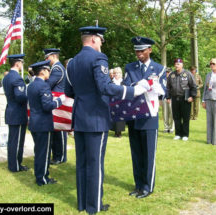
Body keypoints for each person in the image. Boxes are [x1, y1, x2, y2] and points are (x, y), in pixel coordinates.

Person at [65, 26, 144, 215]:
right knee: (95, 164)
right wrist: (132, 91)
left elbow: (69, 92)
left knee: (82, 163)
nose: (102, 43)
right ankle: (95, 206)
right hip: (96, 118)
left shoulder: (72, 62)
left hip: (80, 117)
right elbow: (104, 87)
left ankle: (83, 203)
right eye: (101, 39)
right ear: (93, 39)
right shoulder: (99, 58)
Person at [122, 36, 166, 199]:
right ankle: (138, 184)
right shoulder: (130, 67)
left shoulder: (159, 68)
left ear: (150, 50)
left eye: (141, 50)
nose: (138, 53)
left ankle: (148, 186)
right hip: (133, 115)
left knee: (148, 154)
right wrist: (141, 85)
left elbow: (165, 91)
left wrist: (154, 86)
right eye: (136, 51)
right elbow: (125, 86)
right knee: (136, 153)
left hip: (149, 116)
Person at [28, 60, 65, 186]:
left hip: (34, 123)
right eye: (48, 70)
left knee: (38, 151)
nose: (49, 72)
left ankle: (39, 174)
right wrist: (60, 101)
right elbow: (47, 106)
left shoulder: (31, 85)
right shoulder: (43, 86)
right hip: (43, 124)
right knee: (44, 153)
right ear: (43, 71)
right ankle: (42, 178)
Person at [2, 54, 29, 172]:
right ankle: (16, 165)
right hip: (17, 112)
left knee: (13, 140)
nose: (22, 65)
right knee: (17, 141)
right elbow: (20, 97)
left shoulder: (6, 77)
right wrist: (29, 95)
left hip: (11, 111)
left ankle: (12, 164)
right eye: (21, 63)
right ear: (17, 63)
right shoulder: (16, 78)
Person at [43, 48, 67, 165]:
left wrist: (39, 79)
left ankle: (61, 156)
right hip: (55, 101)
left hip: (59, 102)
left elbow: (48, 84)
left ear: (53, 56)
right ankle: (57, 155)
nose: (46, 60)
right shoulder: (55, 68)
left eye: (47, 57)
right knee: (55, 130)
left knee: (60, 131)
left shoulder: (57, 69)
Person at [166, 59, 197, 141]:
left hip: (185, 98)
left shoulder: (187, 74)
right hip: (175, 98)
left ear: (182, 65)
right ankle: (178, 134)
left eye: (178, 64)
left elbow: (193, 86)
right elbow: (168, 87)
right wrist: (168, 97)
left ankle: (185, 134)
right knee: (176, 117)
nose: (177, 65)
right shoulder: (171, 75)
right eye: (176, 64)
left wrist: (192, 96)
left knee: (185, 117)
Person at [111, 67, 126, 137]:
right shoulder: (111, 82)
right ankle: (115, 132)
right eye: (115, 73)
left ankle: (119, 132)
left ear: (121, 74)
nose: (117, 74)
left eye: (118, 73)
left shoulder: (124, 82)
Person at [162, 68, 174, 133]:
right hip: (164, 98)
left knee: (172, 113)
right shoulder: (163, 80)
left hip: (171, 98)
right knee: (165, 113)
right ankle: (166, 127)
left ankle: (172, 127)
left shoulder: (173, 79)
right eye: (166, 72)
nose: (167, 73)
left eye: (168, 72)